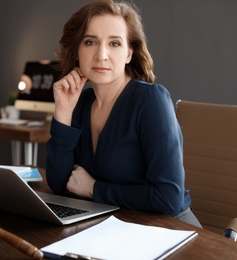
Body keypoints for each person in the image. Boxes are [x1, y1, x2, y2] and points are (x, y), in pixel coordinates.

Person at [46, 0, 202, 227]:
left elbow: (169, 198)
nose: (101, 55)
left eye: (115, 44)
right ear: (77, 50)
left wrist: (93, 188)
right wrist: (63, 111)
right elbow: (60, 183)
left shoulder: (151, 100)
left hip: (170, 228)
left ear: (130, 52)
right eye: (90, 42)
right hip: (116, 225)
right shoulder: (81, 103)